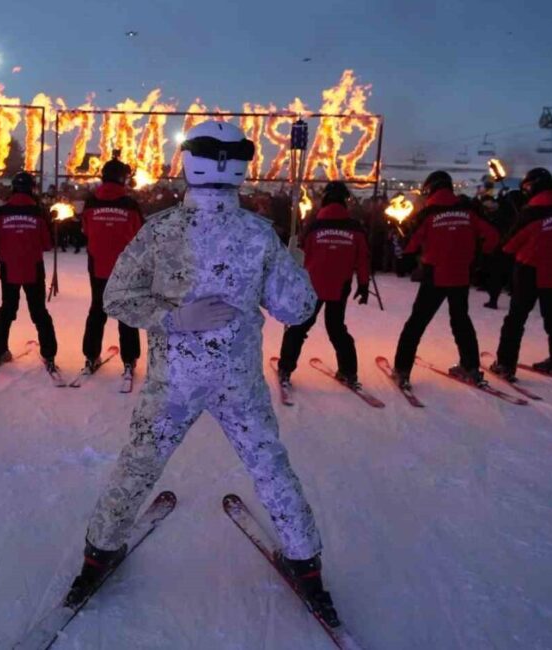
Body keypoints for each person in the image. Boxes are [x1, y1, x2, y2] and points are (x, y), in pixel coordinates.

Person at [64, 122, 339, 626]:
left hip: (175, 382)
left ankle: (98, 552)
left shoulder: (162, 229)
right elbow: (297, 309)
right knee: (268, 466)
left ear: (188, 163)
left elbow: (116, 297)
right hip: (238, 382)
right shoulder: (258, 233)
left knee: (139, 463)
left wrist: (171, 318)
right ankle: (305, 561)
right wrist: (296, 266)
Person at [391, 171, 500, 387]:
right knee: (461, 321)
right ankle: (470, 367)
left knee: (416, 324)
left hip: (435, 274)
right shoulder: (468, 210)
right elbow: (493, 236)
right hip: (461, 274)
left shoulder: (428, 213)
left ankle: (402, 370)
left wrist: (400, 242)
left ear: (430, 188)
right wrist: (479, 256)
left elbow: (408, 246)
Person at [490, 168, 552, 382]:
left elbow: (510, 246)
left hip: (530, 269)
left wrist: (518, 217)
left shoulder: (531, 213)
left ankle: (505, 364)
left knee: (516, 319)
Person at [277, 181, 369, 387]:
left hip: (313, 285)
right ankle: (349, 372)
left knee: (299, 326)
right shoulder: (355, 228)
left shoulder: (314, 226)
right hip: (340, 285)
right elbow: (362, 259)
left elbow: (301, 252)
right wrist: (363, 285)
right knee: (336, 328)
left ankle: (285, 368)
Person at [0, 171, 58, 372]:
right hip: (33, 269)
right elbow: (47, 245)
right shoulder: (38, 213)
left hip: (9, 269)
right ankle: (48, 353)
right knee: (39, 312)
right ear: (32, 189)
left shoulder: (0, 213)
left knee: (6, 309)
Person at [80, 158, 144, 378]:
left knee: (97, 309)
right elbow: (140, 234)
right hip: (125, 267)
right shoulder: (130, 205)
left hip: (97, 265)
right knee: (126, 311)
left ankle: (90, 355)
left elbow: (86, 230)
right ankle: (129, 359)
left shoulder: (91, 202)